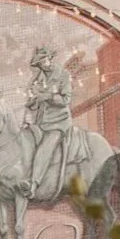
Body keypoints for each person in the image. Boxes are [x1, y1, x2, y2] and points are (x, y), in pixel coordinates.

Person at [24, 45, 73, 199]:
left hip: (58, 123)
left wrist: (46, 96)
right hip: (41, 123)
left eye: (44, 60)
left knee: (45, 147)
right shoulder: (37, 80)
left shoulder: (63, 75)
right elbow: (34, 104)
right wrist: (32, 101)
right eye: (39, 63)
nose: (43, 64)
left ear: (50, 58)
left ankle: (33, 184)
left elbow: (66, 99)